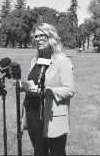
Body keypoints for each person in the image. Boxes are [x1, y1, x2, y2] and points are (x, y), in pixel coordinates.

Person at [20, 23, 74, 156]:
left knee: (57, 153)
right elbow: (33, 86)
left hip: (53, 117)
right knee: (39, 152)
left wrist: (47, 91)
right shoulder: (35, 60)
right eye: (35, 37)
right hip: (33, 115)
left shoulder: (62, 61)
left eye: (41, 36)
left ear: (51, 37)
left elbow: (69, 90)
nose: (37, 39)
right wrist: (24, 87)